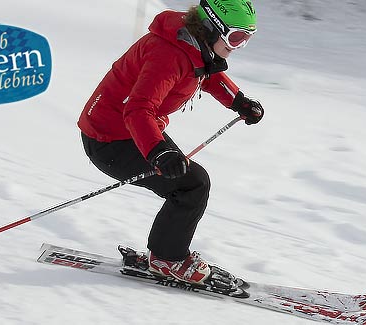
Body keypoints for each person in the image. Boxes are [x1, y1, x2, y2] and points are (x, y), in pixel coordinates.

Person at [77, 0, 263, 285]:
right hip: (109, 138)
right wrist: (158, 152)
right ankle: (167, 258)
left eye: (247, 40)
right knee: (193, 184)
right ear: (213, 27)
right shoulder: (169, 54)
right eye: (236, 37)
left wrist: (238, 101)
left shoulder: (192, 44)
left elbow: (207, 73)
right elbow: (138, 108)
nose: (239, 46)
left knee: (189, 184)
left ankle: (165, 253)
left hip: (130, 128)